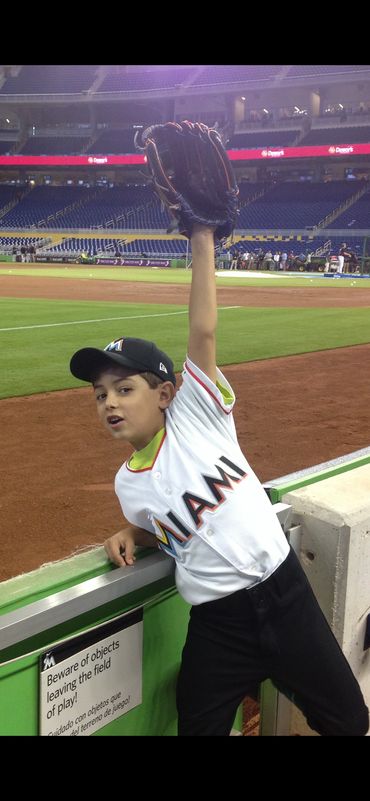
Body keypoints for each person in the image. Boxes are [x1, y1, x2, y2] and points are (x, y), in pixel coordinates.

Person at [70, 223, 369, 737]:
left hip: (284, 593)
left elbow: (203, 331)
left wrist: (203, 235)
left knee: (349, 719)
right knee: (199, 727)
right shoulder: (128, 486)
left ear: (165, 394)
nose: (110, 402)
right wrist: (132, 533)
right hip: (218, 623)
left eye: (124, 388)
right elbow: (175, 531)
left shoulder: (197, 416)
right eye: (100, 395)